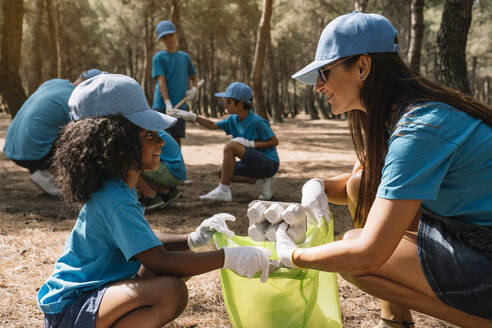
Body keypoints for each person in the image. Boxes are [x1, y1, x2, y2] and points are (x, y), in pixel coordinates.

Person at [275, 11, 492, 328]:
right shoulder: (401, 114)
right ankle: (396, 319)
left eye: (324, 72)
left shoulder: (420, 129)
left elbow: (369, 253)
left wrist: (290, 256)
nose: (318, 87)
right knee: (360, 185)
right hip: (471, 237)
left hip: (482, 247)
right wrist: (316, 186)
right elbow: (361, 184)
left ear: (362, 66)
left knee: (354, 256)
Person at [37, 74, 272, 328]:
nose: (161, 140)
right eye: (149, 134)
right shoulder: (114, 198)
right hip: (72, 309)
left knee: (170, 272)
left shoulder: (118, 189)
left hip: (92, 298)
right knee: (170, 291)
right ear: (117, 142)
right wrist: (229, 257)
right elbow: (159, 259)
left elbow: (145, 244)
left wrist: (192, 239)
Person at [171, 82, 280, 201]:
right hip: (251, 163)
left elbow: (274, 141)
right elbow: (213, 125)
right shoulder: (233, 119)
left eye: (229, 102)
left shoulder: (257, 121)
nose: (226, 105)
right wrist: (193, 117)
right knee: (223, 173)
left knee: (230, 146)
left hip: (269, 164)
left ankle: (223, 191)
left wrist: (250, 144)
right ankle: (261, 181)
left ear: (241, 104)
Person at [3, 68, 104, 196]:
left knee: (56, 127)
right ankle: (49, 174)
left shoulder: (54, 83)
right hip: (33, 154)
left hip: (11, 147)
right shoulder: (74, 99)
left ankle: (43, 172)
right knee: (81, 136)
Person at [152, 20, 198, 148]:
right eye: (164, 37)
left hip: (180, 108)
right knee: (160, 140)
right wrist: (167, 102)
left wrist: (194, 89)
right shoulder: (159, 57)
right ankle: (160, 168)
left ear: (176, 34)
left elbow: (194, 76)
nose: (168, 39)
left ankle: (176, 167)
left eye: (170, 35)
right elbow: (161, 80)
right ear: (161, 40)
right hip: (162, 106)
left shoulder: (185, 57)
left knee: (177, 139)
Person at [137, 129, 186, 210]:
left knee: (128, 163)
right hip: (176, 172)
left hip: (171, 173)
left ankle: (150, 196)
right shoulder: (150, 128)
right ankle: (165, 191)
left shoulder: (144, 132)